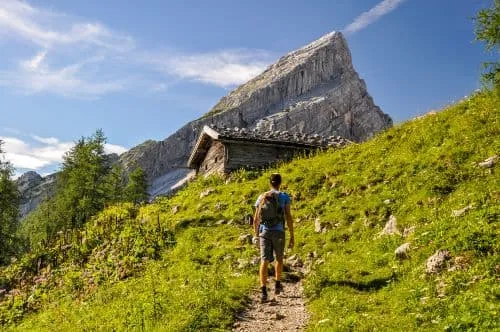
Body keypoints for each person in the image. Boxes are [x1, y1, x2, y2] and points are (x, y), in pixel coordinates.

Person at [253, 173, 294, 302]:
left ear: (270, 183)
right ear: (280, 183)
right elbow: (288, 216)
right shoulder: (284, 196)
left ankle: (263, 291)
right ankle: (277, 284)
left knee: (264, 260)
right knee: (279, 258)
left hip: (264, 232)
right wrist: (292, 235)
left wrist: (256, 235)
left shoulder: (262, 196)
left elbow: (256, 218)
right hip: (279, 232)